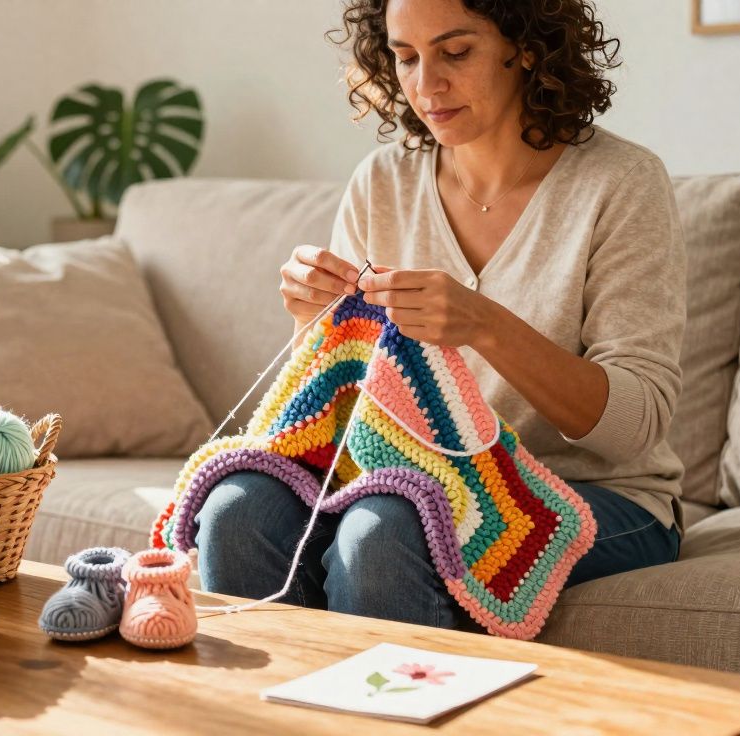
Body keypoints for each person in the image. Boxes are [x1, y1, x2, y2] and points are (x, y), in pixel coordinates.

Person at [195, 0, 686, 631]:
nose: (426, 85)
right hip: (410, 478)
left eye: (456, 52)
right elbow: (341, 400)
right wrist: (310, 320)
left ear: (528, 47)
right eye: (406, 57)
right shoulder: (382, 182)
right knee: (240, 507)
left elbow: (633, 427)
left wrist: (485, 324)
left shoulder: (621, 183)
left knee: (386, 530)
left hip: (602, 496)